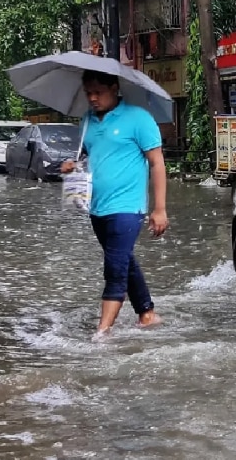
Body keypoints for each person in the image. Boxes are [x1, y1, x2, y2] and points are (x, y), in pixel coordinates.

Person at [60, 69, 169, 337]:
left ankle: (102, 333)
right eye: (88, 93)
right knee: (123, 260)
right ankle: (147, 314)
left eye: (98, 92)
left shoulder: (139, 119)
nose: (93, 98)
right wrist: (73, 166)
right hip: (97, 208)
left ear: (115, 88)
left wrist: (159, 208)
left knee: (114, 268)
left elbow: (157, 163)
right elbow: (92, 157)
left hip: (128, 207)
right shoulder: (86, 122)